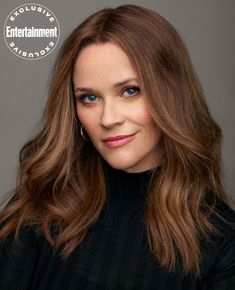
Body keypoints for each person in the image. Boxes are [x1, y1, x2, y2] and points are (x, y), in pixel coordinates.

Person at [0, 4, 235, 289]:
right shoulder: (41, 205)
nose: (108, 119)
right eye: (89, 98)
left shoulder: (221, 240)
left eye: (130, 91)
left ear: (172, 94)